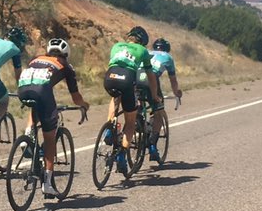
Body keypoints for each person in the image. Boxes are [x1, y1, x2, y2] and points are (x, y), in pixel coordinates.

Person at [16, 37, 90, 196]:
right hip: (42, 92)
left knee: (34, 106)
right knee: (50, 137)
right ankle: (48, 183)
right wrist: (84, 105)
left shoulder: (36, 58)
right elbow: (76, 97)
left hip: (22, 89)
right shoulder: (66, 65)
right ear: (65, 53)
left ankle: (28, 132)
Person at [103, 25, 163, 173]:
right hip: (127, 78)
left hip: (110, 77)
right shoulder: (142, 51)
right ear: (142, 41)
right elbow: (150, 77)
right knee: (130, 122)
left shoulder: (116, 46)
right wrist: (154, 95)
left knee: (115, 98)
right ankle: (123, 154)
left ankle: (110, 127)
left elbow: (116, 63)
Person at [140, 37, 183, 162]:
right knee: (158, 111)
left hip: (135, 78)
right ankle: (152, 145)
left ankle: (138, 120)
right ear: (167, 49)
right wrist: (177, 93)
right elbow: (173, 80)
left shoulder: (147, 52)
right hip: (151, 80)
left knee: (138, 104)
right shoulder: (168, 58)